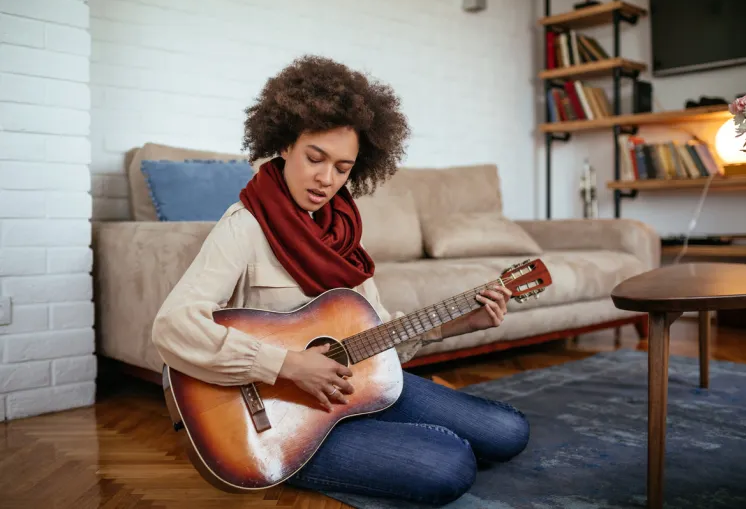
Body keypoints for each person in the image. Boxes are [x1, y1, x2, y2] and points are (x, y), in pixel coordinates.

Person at [151, 55, 530, 506]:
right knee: (450, 464)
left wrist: (459, 323)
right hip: (276, 412)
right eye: (315, 158)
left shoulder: (342, 232)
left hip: (349, 386)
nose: (326, 179)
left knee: (509, 432)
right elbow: (171, 325)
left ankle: (361, 431)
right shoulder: (244, 226)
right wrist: (288, 365)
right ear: (285, 144)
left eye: (343, 167)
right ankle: (292, 455)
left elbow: (377, 334)